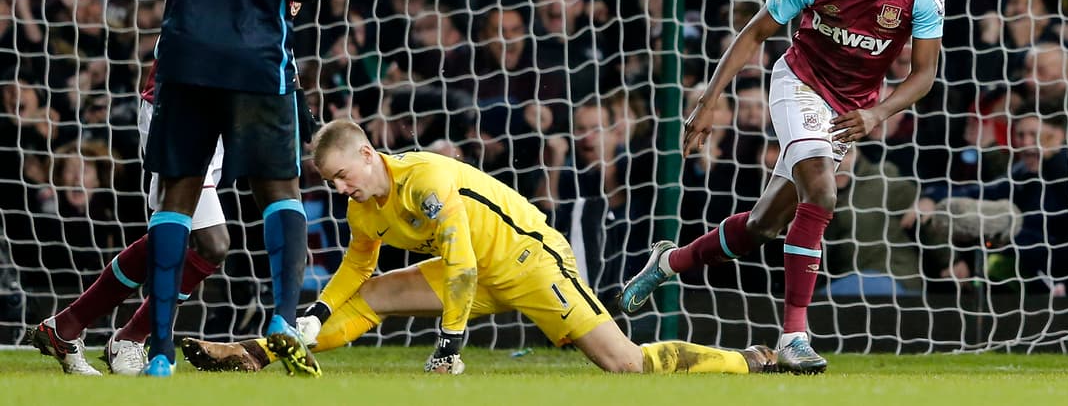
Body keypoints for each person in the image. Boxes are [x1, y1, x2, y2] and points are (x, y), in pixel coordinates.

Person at [620, 0, 945, 373]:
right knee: (822, 189)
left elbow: (924, 73)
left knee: (761, 226)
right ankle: (795, 336)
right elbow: (754, 32)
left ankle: (667, 263)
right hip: (800, 84)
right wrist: (708, 102)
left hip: (851, 107)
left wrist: (878, 113)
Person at [179, 121, 777, 376]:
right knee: (368, 295)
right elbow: (356, 265)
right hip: (469, 273)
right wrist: (314, 314)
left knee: (625, 364)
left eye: (343, 175)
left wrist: (449, 344)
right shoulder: (362, 205)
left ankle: (749, 360)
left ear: (368, 155)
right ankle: (258, 351)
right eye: (332, 183)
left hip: (529, 263)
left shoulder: (427, 179)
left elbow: (462, 262)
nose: (341, 188)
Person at [141, 0, 329, 376]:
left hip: (184, 54)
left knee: (179, 194)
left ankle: (161, 350)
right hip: (254, 56)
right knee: (280, 187)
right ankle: (279, 317)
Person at [24, 61, 229, 376]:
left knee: (188, 239)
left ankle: (66, 327)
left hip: (218, 113)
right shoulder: (210, 14)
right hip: (179, 108)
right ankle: (130, 336)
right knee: (210, 242)